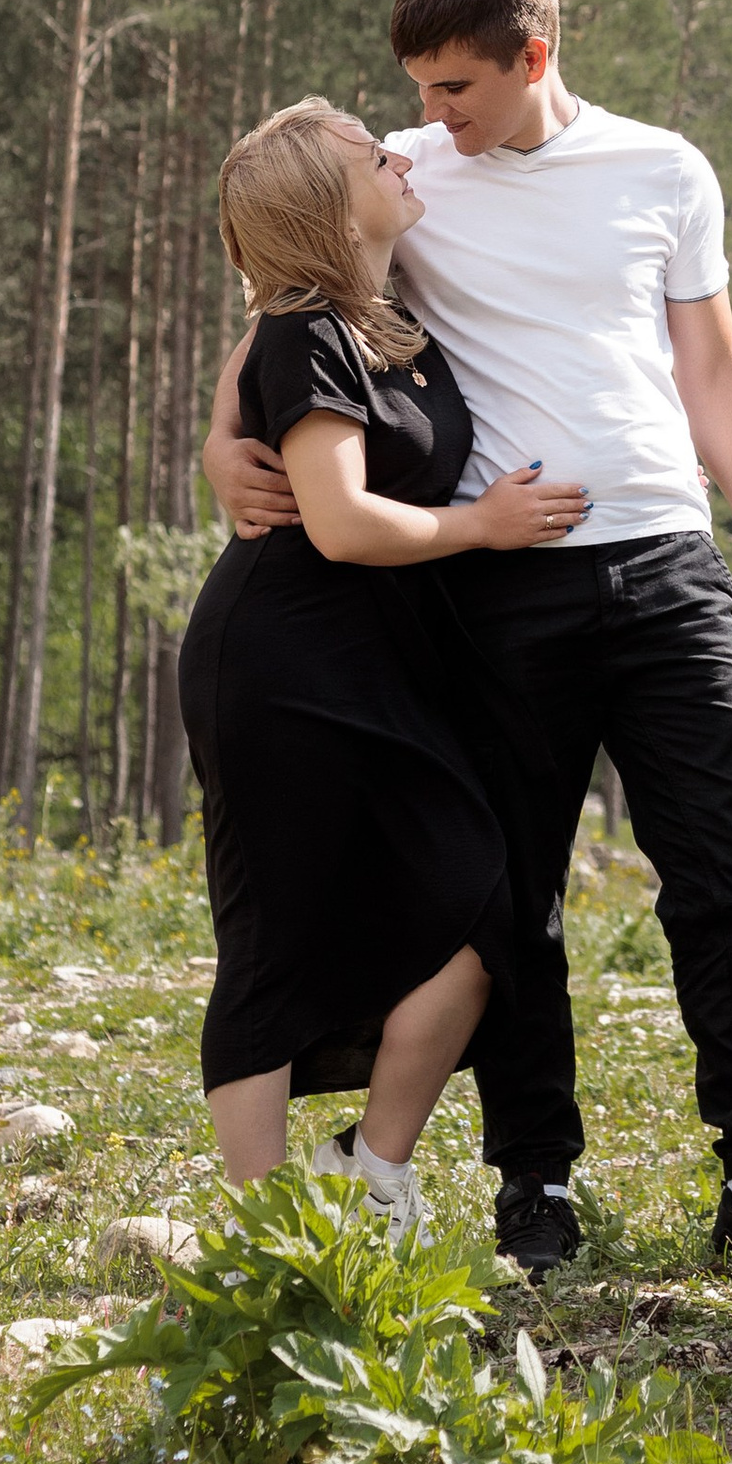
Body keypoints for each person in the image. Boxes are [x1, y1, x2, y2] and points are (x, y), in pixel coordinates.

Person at [204, 0, 732, 1286]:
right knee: (514, 902)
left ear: (532, 55)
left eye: (452, 90)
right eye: (418, 94)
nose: (424, 119)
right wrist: (216, 442)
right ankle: (534, 1181)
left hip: (667, 562)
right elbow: (281, 303)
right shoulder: (411, 173)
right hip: (498, 589)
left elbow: (716, 378)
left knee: (720, 882)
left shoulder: (664, 169)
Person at [180, 99, 589, 1234]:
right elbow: (345, 523)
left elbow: (247, 368)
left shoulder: (378, 317)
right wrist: (484, 529)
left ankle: (368, 1170)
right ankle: (271, 1234)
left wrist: (220, 434)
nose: (398, 155)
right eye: (373, 156)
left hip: (379, 670)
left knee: (484, 905)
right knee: (273, 935)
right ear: (327, 204)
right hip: (279, 668)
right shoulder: (308, 328)